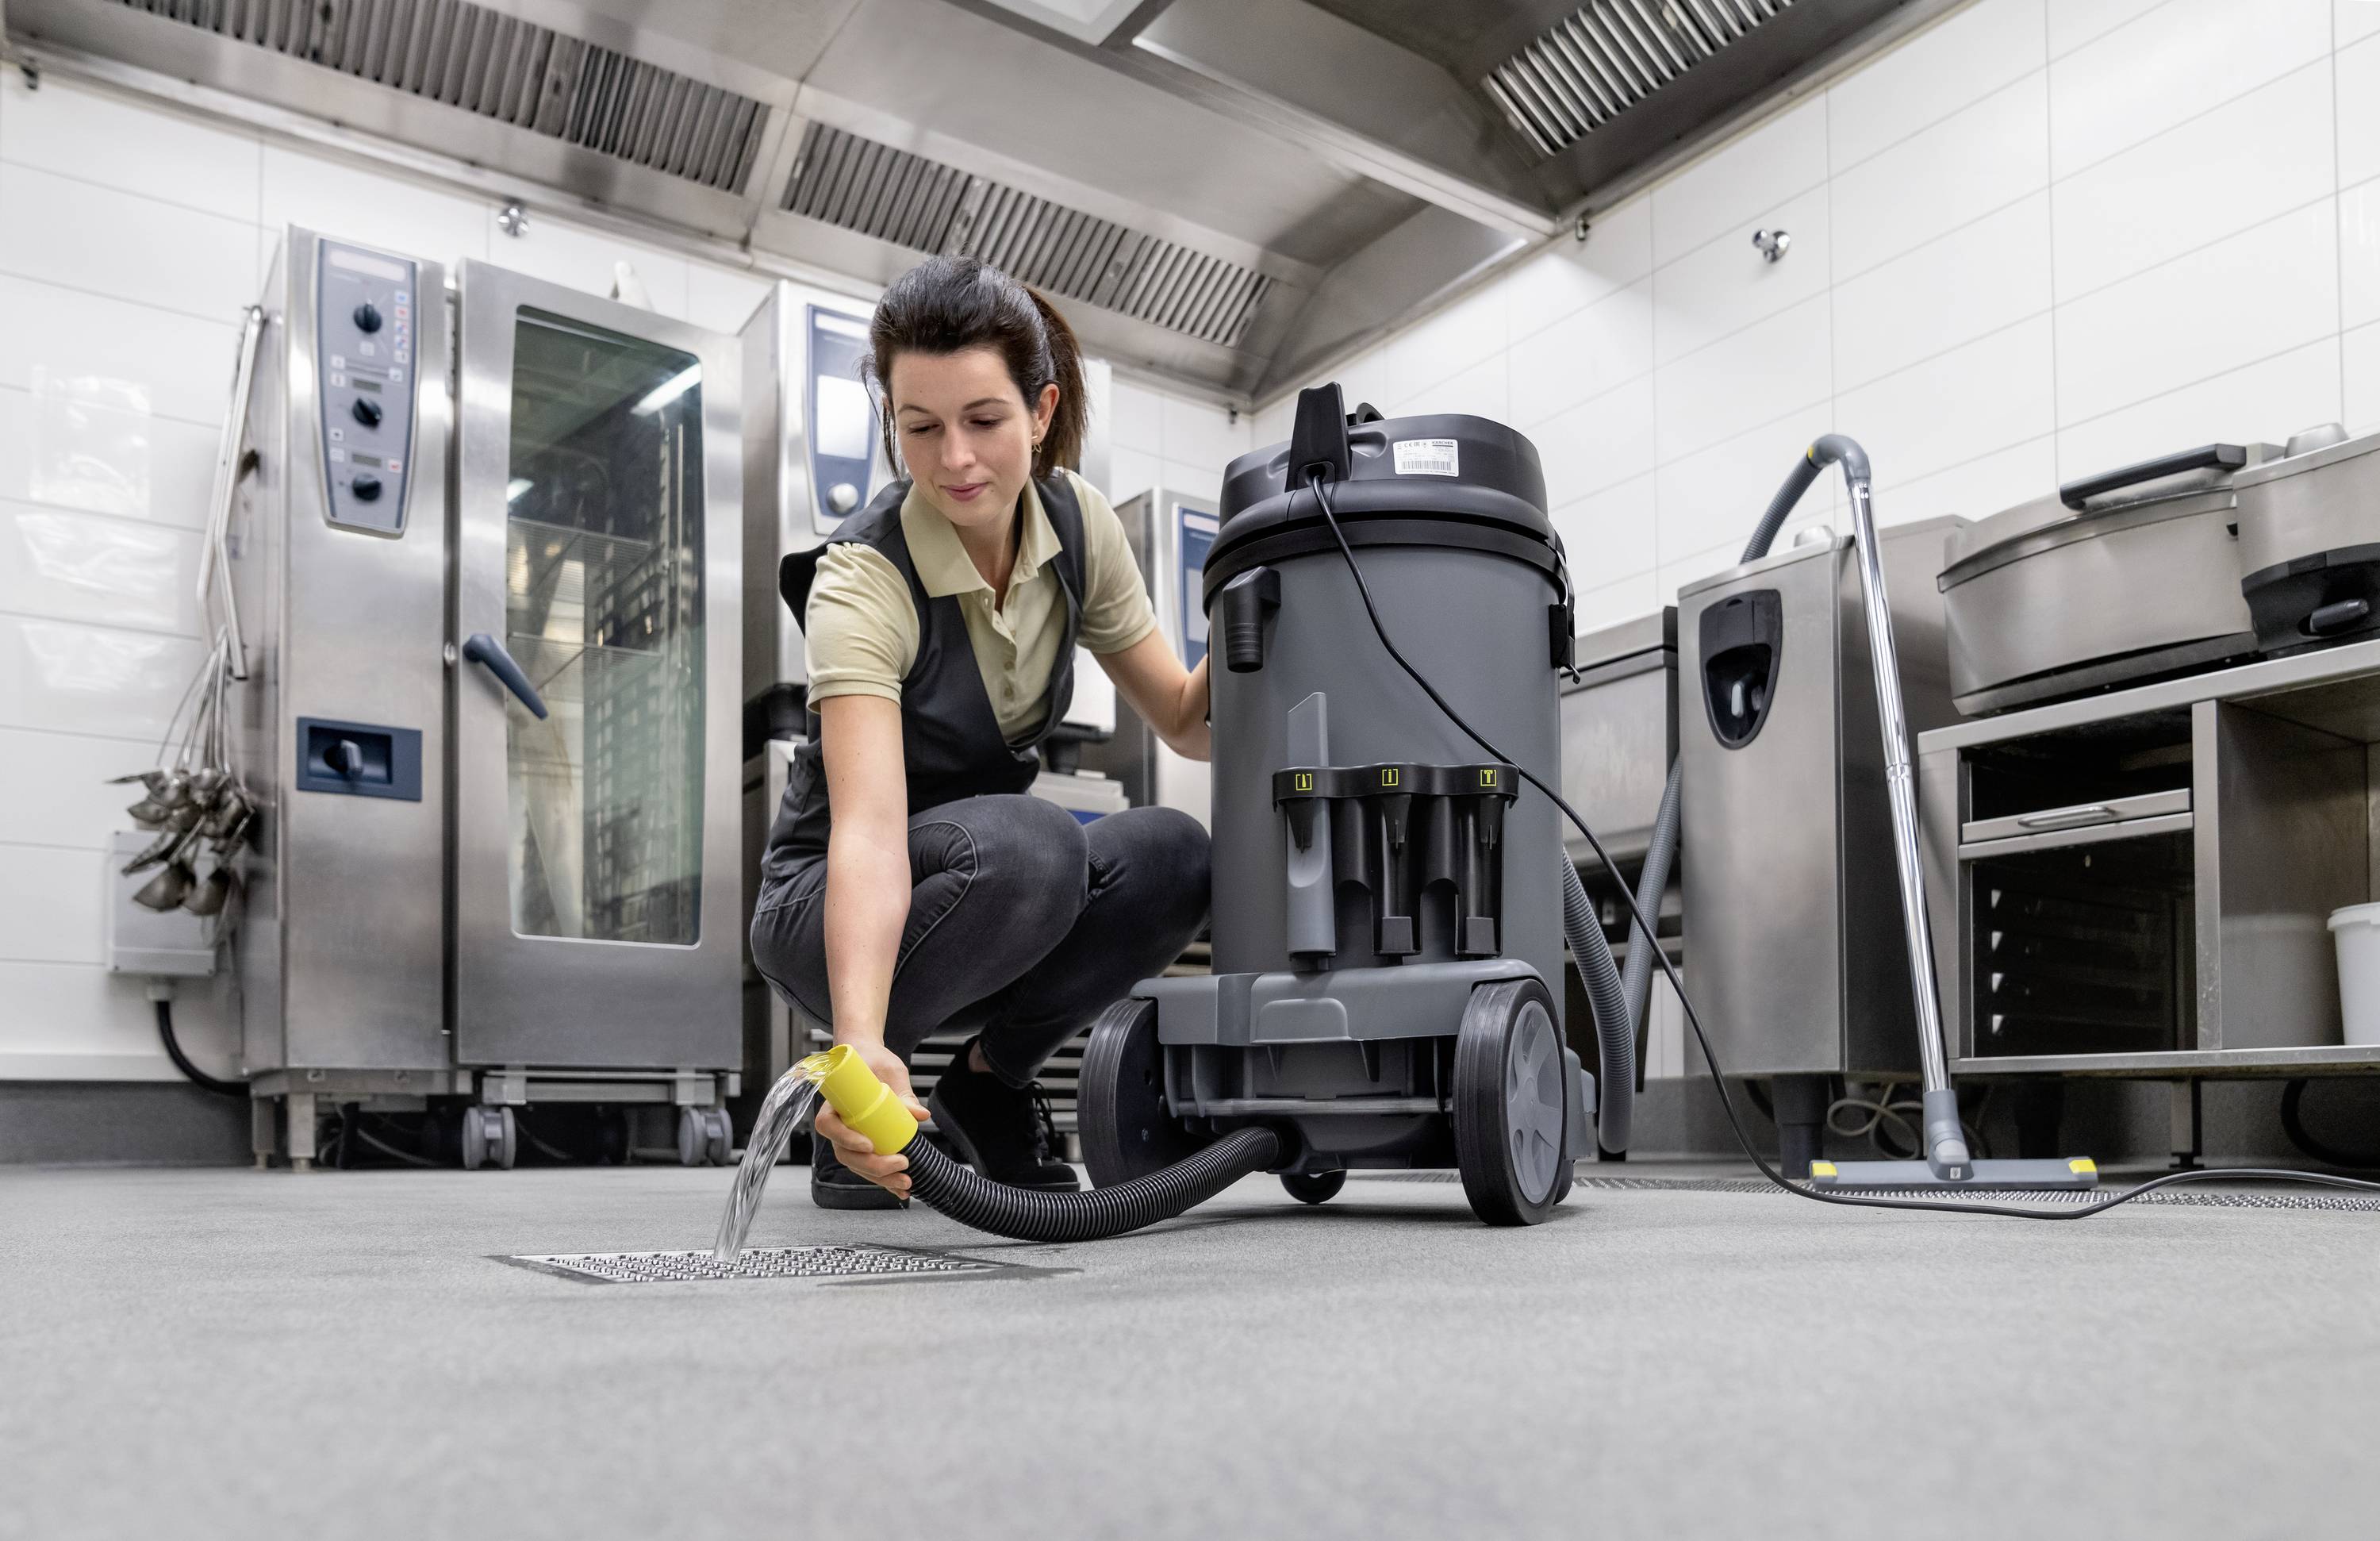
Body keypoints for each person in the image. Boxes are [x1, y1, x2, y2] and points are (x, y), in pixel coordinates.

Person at [750, 256, 1212, 1209]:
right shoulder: (863, 578)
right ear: (894, 425)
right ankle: (864, 1090)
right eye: (920, 428)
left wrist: (1269, 604)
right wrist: (861, 1038)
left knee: (1172, 855)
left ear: (1040, 414)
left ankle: (987, 1088)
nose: (954, 459)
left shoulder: (1078, 525)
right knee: (1038, 843)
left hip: (975, 881)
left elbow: (1182, 718)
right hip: (824, 902)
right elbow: (870, 832)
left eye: (985, 422)